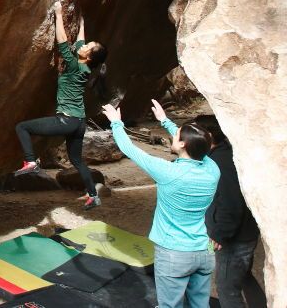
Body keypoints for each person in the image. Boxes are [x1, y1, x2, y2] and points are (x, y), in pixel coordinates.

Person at [102, 100, 219, 308]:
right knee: (201, 305)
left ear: (183, 144)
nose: (173, 137)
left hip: (174, 252)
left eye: (176, 136)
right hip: (205, 250)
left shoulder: (169, 173)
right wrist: (165, 121)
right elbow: (197, 144)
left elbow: (131, 150)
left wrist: (116, 123)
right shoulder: (212, 169)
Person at [13, 0, 108, 210]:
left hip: (66, 120)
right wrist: (82, 24)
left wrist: (57, 13)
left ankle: (30, 161)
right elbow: (81, 43)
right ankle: (93, 195)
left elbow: (62, 41)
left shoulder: (74, 64)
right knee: (77, 161)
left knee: (22, 127)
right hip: (79, 122)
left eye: (90, 46)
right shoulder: (85, 67)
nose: (86, 44)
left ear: (88, 55)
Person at [198, 114, 267, 308]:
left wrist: (219, 235)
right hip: (242, 235)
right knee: (243, 277)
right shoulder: (224, 155)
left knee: (227, 288)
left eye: (194, 133)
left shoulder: (221, 163)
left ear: (208, 136)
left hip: (233, 240)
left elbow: (232, 204)